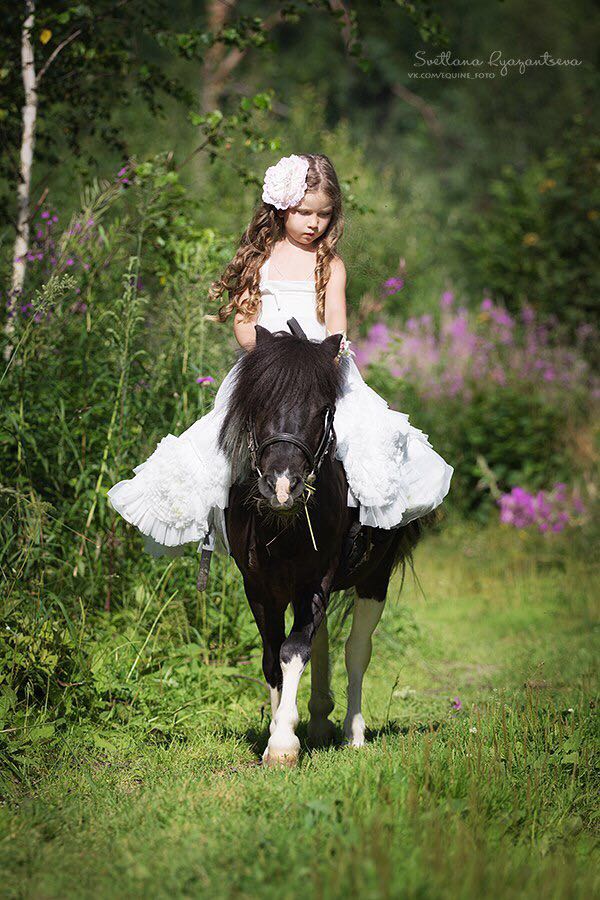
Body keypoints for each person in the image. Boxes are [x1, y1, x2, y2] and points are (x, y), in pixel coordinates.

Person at [107, 153, 453, 558]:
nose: (314, 223)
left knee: (362, 435)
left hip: (321, 371)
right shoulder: (260, 260)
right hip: (266, 371)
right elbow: (243, 325)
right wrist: (276, 355)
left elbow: (337, 328)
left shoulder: (330, 265)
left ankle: (356, 532)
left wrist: (320, 358)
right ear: (281, 208)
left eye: (323, 214)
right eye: (304, 212)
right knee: (216, 441)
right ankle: (221, 521)